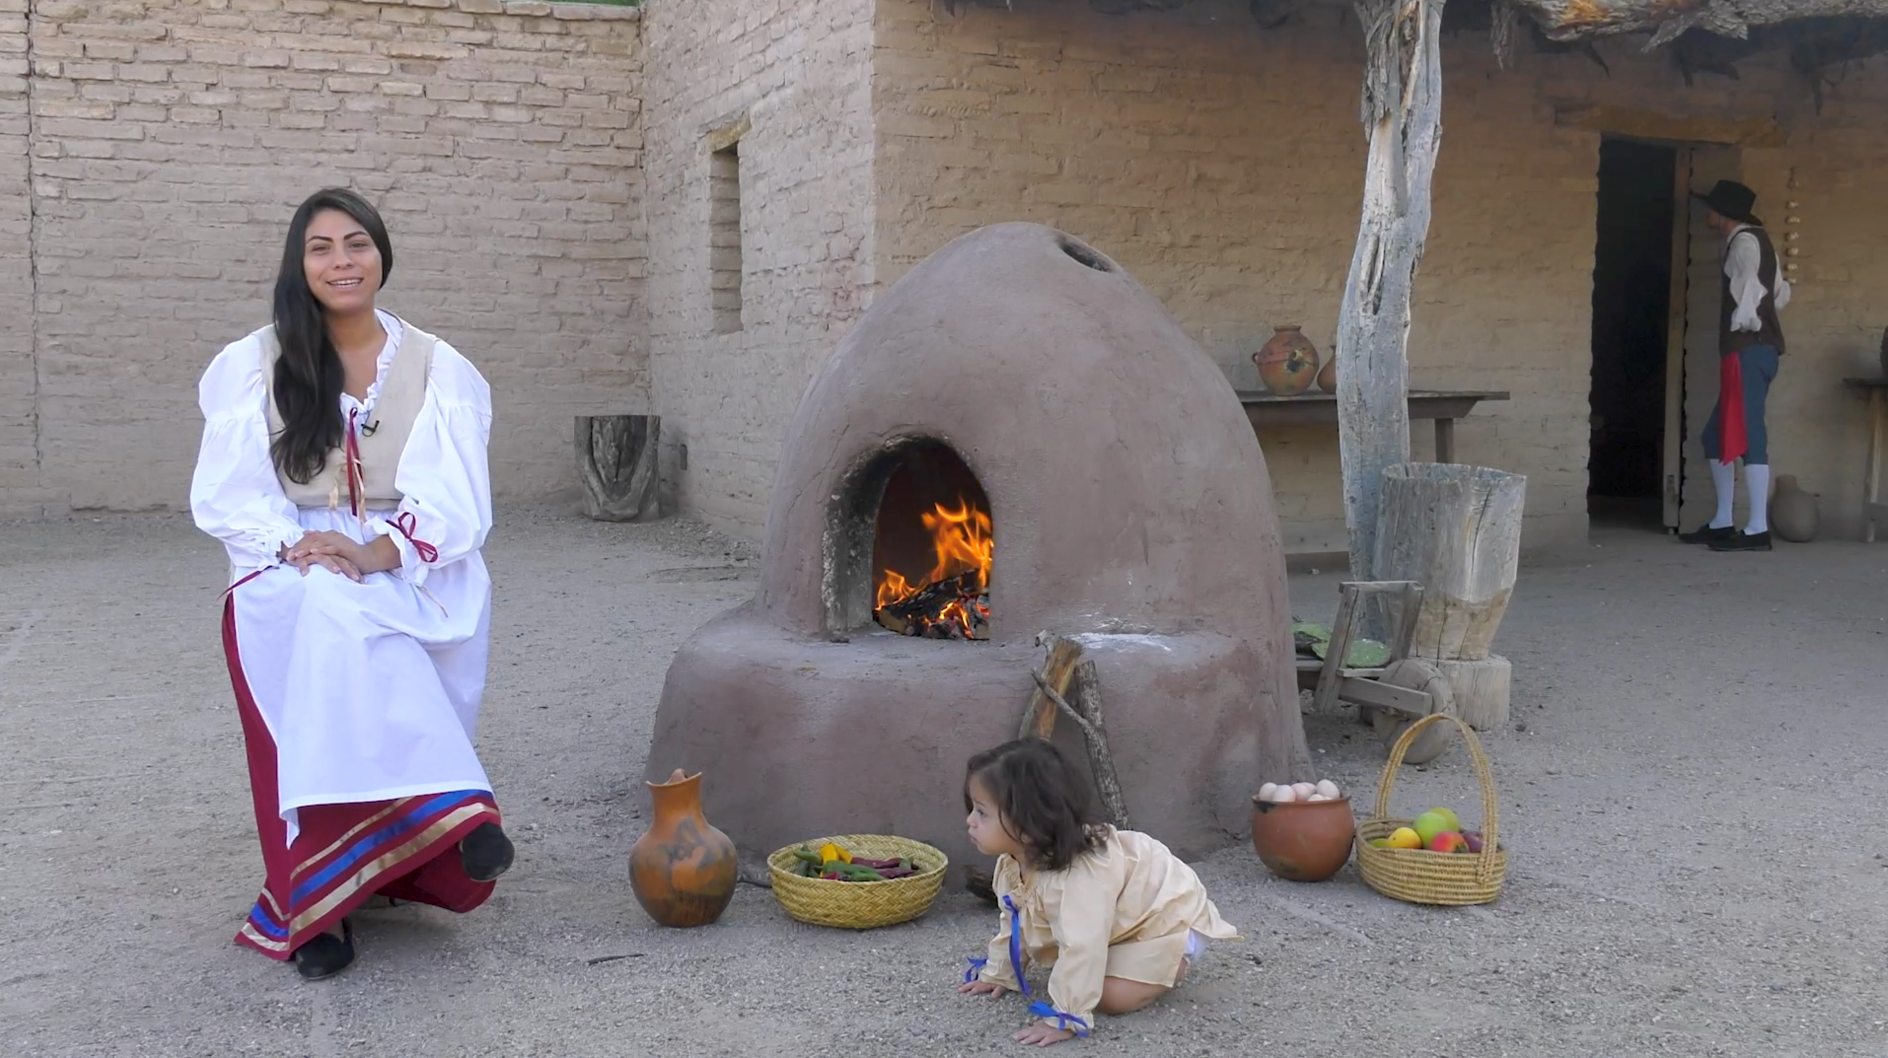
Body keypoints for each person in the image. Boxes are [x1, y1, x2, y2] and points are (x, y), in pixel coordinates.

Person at [189, 187, 513, 980]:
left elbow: (459, 503)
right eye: (322, 247)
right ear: (299, 266)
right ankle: (443, 812)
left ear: (382, 256)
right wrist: (302, 550)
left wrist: (380, 553)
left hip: (410, 552)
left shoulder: (441, 366)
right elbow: (231, 494)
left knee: (355, 603)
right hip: (286, 553)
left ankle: (367, 868)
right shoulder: (252, 364)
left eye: (357, 243)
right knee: (326, 604)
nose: (342, 261)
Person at [956, 739, 1241, 1045]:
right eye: (973, 809)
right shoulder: (1014, 864)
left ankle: (1172, 962)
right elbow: (1014, 920)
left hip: (1165, 918)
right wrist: (1001, 972)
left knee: (1109, 997)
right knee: (1081, 971)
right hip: (1121, 919)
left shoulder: (1078, 880)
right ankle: (1124, 958)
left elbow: (1082, 945)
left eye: (982, 813)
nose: (969, 821)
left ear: (1028, 823)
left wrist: (1066, 1016)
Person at [1678, 179, 1790, 552]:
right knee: (1715, 436)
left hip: (1749, 348)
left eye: (1711, 208)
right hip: (1748, 350)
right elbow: (1781, 291)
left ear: (1722, 213)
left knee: (1750, 434)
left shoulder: (1744, 243)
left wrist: (1746, 322)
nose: (1707, 213)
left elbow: (1755, 289)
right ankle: (1723, 520)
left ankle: (1757, 528)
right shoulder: (1751, 239)